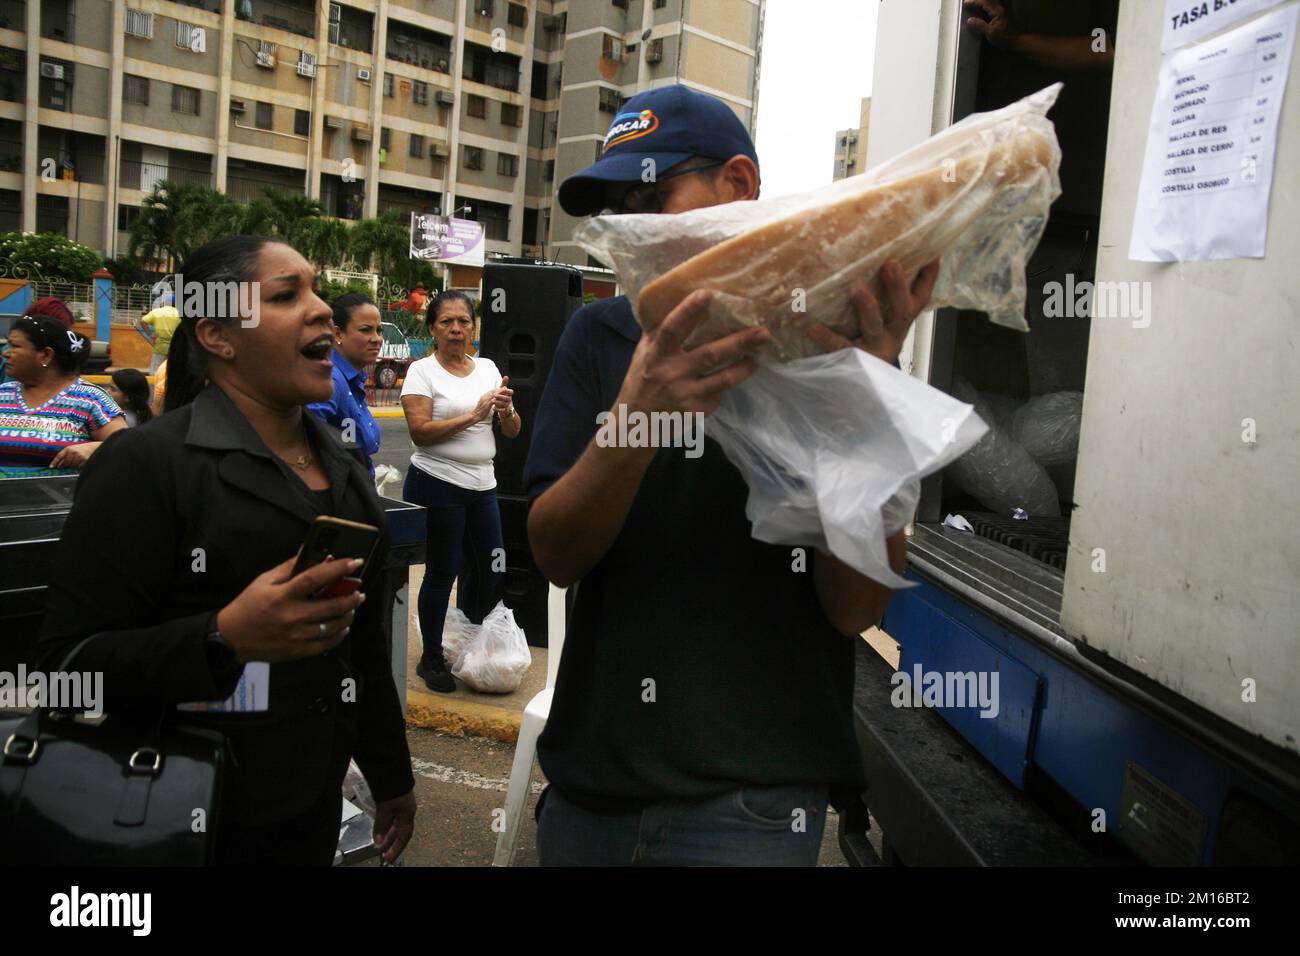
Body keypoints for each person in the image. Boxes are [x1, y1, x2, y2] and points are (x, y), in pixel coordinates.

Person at [524, 84, 941, 866]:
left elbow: (856, 606)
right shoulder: (600, 335)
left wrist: (862, 394)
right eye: (615, 206)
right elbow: (553, 553)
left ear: (740, 187)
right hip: (592, 792)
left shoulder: (827, 344)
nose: (628, 226)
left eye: (651, 195)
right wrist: (638, 412)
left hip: (754, 807)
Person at [36, 236, 416, 866]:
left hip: (307, 812)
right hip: (171, 818)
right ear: (217, 334)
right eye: (287, 294)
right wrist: (223, 637)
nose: (322, 309)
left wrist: (391, 775)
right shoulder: (146, 465)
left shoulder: (345, 469)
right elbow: (64, 672)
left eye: (317, 289)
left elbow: (364, 645)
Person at [399, 290, 519, 693]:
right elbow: (420, 433)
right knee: (442, 571)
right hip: (437, 482)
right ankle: (430, 655)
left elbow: (513, 430)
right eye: (446, 321)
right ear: (432, 328)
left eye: (463, 321)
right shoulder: (422, 371)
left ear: (474, 327)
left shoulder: (486, 367)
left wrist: (506, 410)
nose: (455, 329)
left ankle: (472, 643)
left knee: (493, 567)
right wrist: (474, 414)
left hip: (483, 484)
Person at [0, 315, 126, 477]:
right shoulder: (3, 394)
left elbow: (128, 447)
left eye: (15, 346)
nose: (6, 353)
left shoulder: (90, 399)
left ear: (46, 355)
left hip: (63, 500)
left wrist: (95, 448)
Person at [305, 292, 383, 475]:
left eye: (379, 330)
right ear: (337, 333)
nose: (376, 339)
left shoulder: (352, 379)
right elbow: (306, 441)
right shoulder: (331, 379)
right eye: (366, 330)